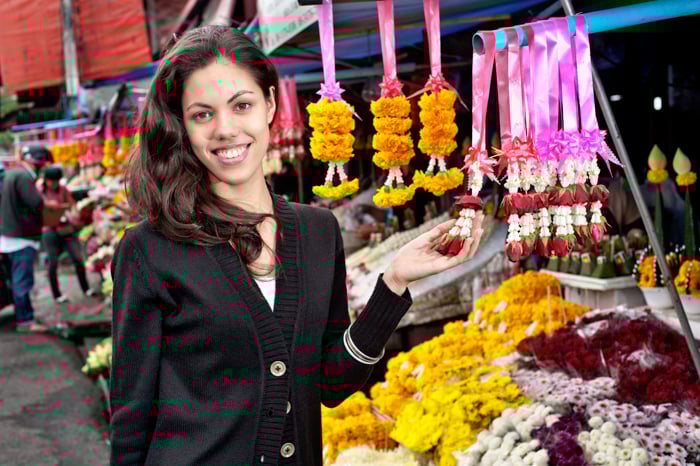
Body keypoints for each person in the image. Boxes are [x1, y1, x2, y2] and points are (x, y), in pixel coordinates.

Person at [109, 26, 485, 466]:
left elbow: (330, 382)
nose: (225, 130)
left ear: (269, 105)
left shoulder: (317, 231)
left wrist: (395, 281)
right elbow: (130, 418)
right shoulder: (149, 249)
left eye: (242, 106)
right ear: (183, 126)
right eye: (202, 114)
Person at [0, 146, 52, 332]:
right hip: (22, 236)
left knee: (15, 279)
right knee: (22, 280)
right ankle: (25, 321)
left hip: (9, 236)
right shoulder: (24, 177)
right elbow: (35, 203)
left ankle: (22, 314)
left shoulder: (11, 174)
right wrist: (40, 193)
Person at [38, 165, 96, 303]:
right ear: (46, 180)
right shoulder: (40, 192)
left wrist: (74, 214)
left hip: (66, 229)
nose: (54, 184)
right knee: (52, 262)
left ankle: (86, 288)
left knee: (78, 259)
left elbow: (72, 205)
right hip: (49, 231)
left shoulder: (63, 190)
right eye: (52, 181)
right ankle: (57, 295)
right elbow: (38, 208)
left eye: (57, 181)